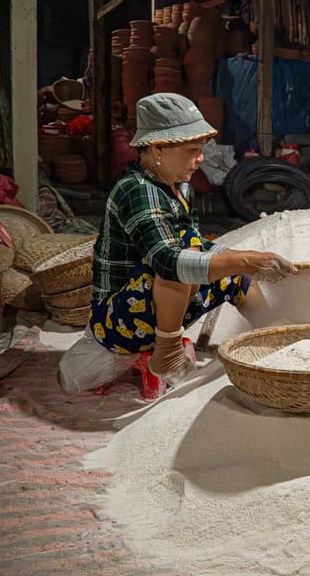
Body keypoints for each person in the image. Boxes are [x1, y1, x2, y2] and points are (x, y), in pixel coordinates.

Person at [88, 93, 297, 385]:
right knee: (180, 266)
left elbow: (198, 243)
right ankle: (168, 351)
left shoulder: (179, 189)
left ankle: (278, 337)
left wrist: (244, 261)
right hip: (116, 320)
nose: (200, 158)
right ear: (159, 147)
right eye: (193, 150)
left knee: (231, 271)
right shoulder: (136, 189)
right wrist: (246, 260)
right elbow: (167, 260)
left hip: (153, 304)